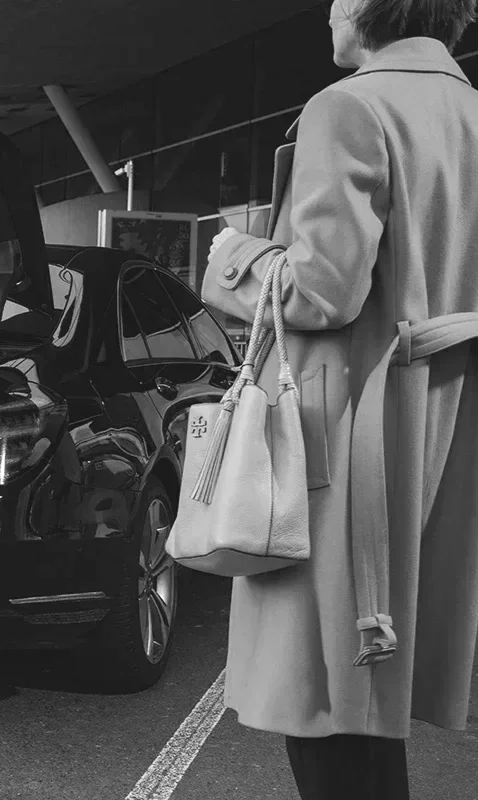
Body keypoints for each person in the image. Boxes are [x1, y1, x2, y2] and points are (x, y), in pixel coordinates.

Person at [203, 1, 478, 798]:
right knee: (369, 697)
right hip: (445, 412)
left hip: (351, 419)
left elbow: (322, 291)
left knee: (319, 693)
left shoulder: (349, 107)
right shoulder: (467, 112)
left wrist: (234, 257)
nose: (328, 11)